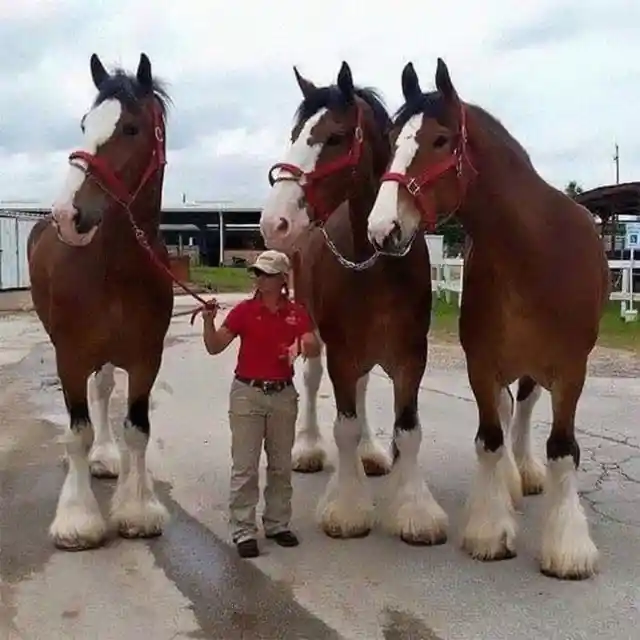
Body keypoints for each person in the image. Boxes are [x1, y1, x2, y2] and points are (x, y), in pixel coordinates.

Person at [201, 249, 321, 558]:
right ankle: (243, 530)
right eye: (258, 273)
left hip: (282, 394)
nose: (260, 278)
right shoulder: (243, 312)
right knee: (245, 467)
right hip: (247, 394)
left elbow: (312, 345)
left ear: (282, 279)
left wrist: (307, 343)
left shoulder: (297, 312)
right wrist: (208, 323)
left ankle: (278, 524)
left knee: (281, 466)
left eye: (266, 274)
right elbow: (215, 347)